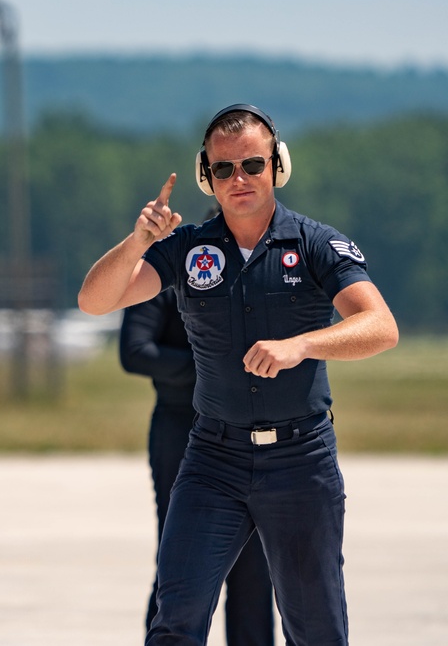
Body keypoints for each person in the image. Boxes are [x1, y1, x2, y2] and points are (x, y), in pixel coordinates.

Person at [79, 104, 398, 645]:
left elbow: (380, 326)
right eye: (223, 169)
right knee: (175, 619)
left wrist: (303, 345)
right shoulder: (187, 250)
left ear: (277, 166)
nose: (239, 179)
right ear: (206, 176)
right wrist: (138, 241)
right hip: (213, 460)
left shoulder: (314, 244)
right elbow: (94, 300)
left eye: (252, 164)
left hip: (301, 462)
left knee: (315, 630)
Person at [120, 284, 275, 645]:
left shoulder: (260, 277)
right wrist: (214, 367)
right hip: (180, 427)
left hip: (249, 426)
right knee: (181, 558)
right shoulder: (168, 275)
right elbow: (135, 351)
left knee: (255, 565)